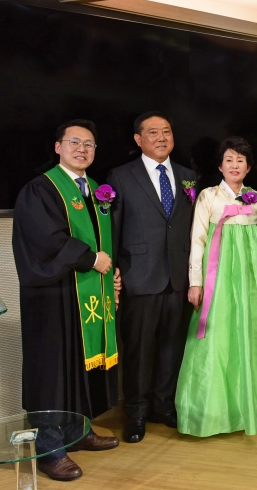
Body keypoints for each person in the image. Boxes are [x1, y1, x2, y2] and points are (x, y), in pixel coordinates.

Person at [12, 119, 119, 482]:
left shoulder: (98, 190)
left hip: (87, 294)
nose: (82, 149)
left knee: (81, 365)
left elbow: (107, 240)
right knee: (52, 370)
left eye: (89, 144)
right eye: (74, 142)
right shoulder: (40, 189)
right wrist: (91, 259)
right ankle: (49, 450)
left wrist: (111, 270)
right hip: (53, 296)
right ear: (58, 147)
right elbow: (46, 239)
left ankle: (78, 431)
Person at [176, 136, 257, 436]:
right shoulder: (208, 197)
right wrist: (195, 282)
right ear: (220, 166)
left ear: (249, 167)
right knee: (218, 335)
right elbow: (197, 241)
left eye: (240, 160)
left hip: (251, 278)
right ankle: (214, 413)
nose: (234, 165)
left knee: (254, 334)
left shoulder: (256, 198)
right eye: (229, 160)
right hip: (219, 276)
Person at [107, 112, 196, 444]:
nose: (161, 138)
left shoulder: (188, 176)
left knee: (172, 346)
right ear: (138, 139)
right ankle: (136, 412)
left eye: (167, 132)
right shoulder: (120, 176)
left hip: (178, 276)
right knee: (138, 350)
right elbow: (113, 227)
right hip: (138, 276)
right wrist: (114, 270)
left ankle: (163, 406)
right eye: (153, 132)